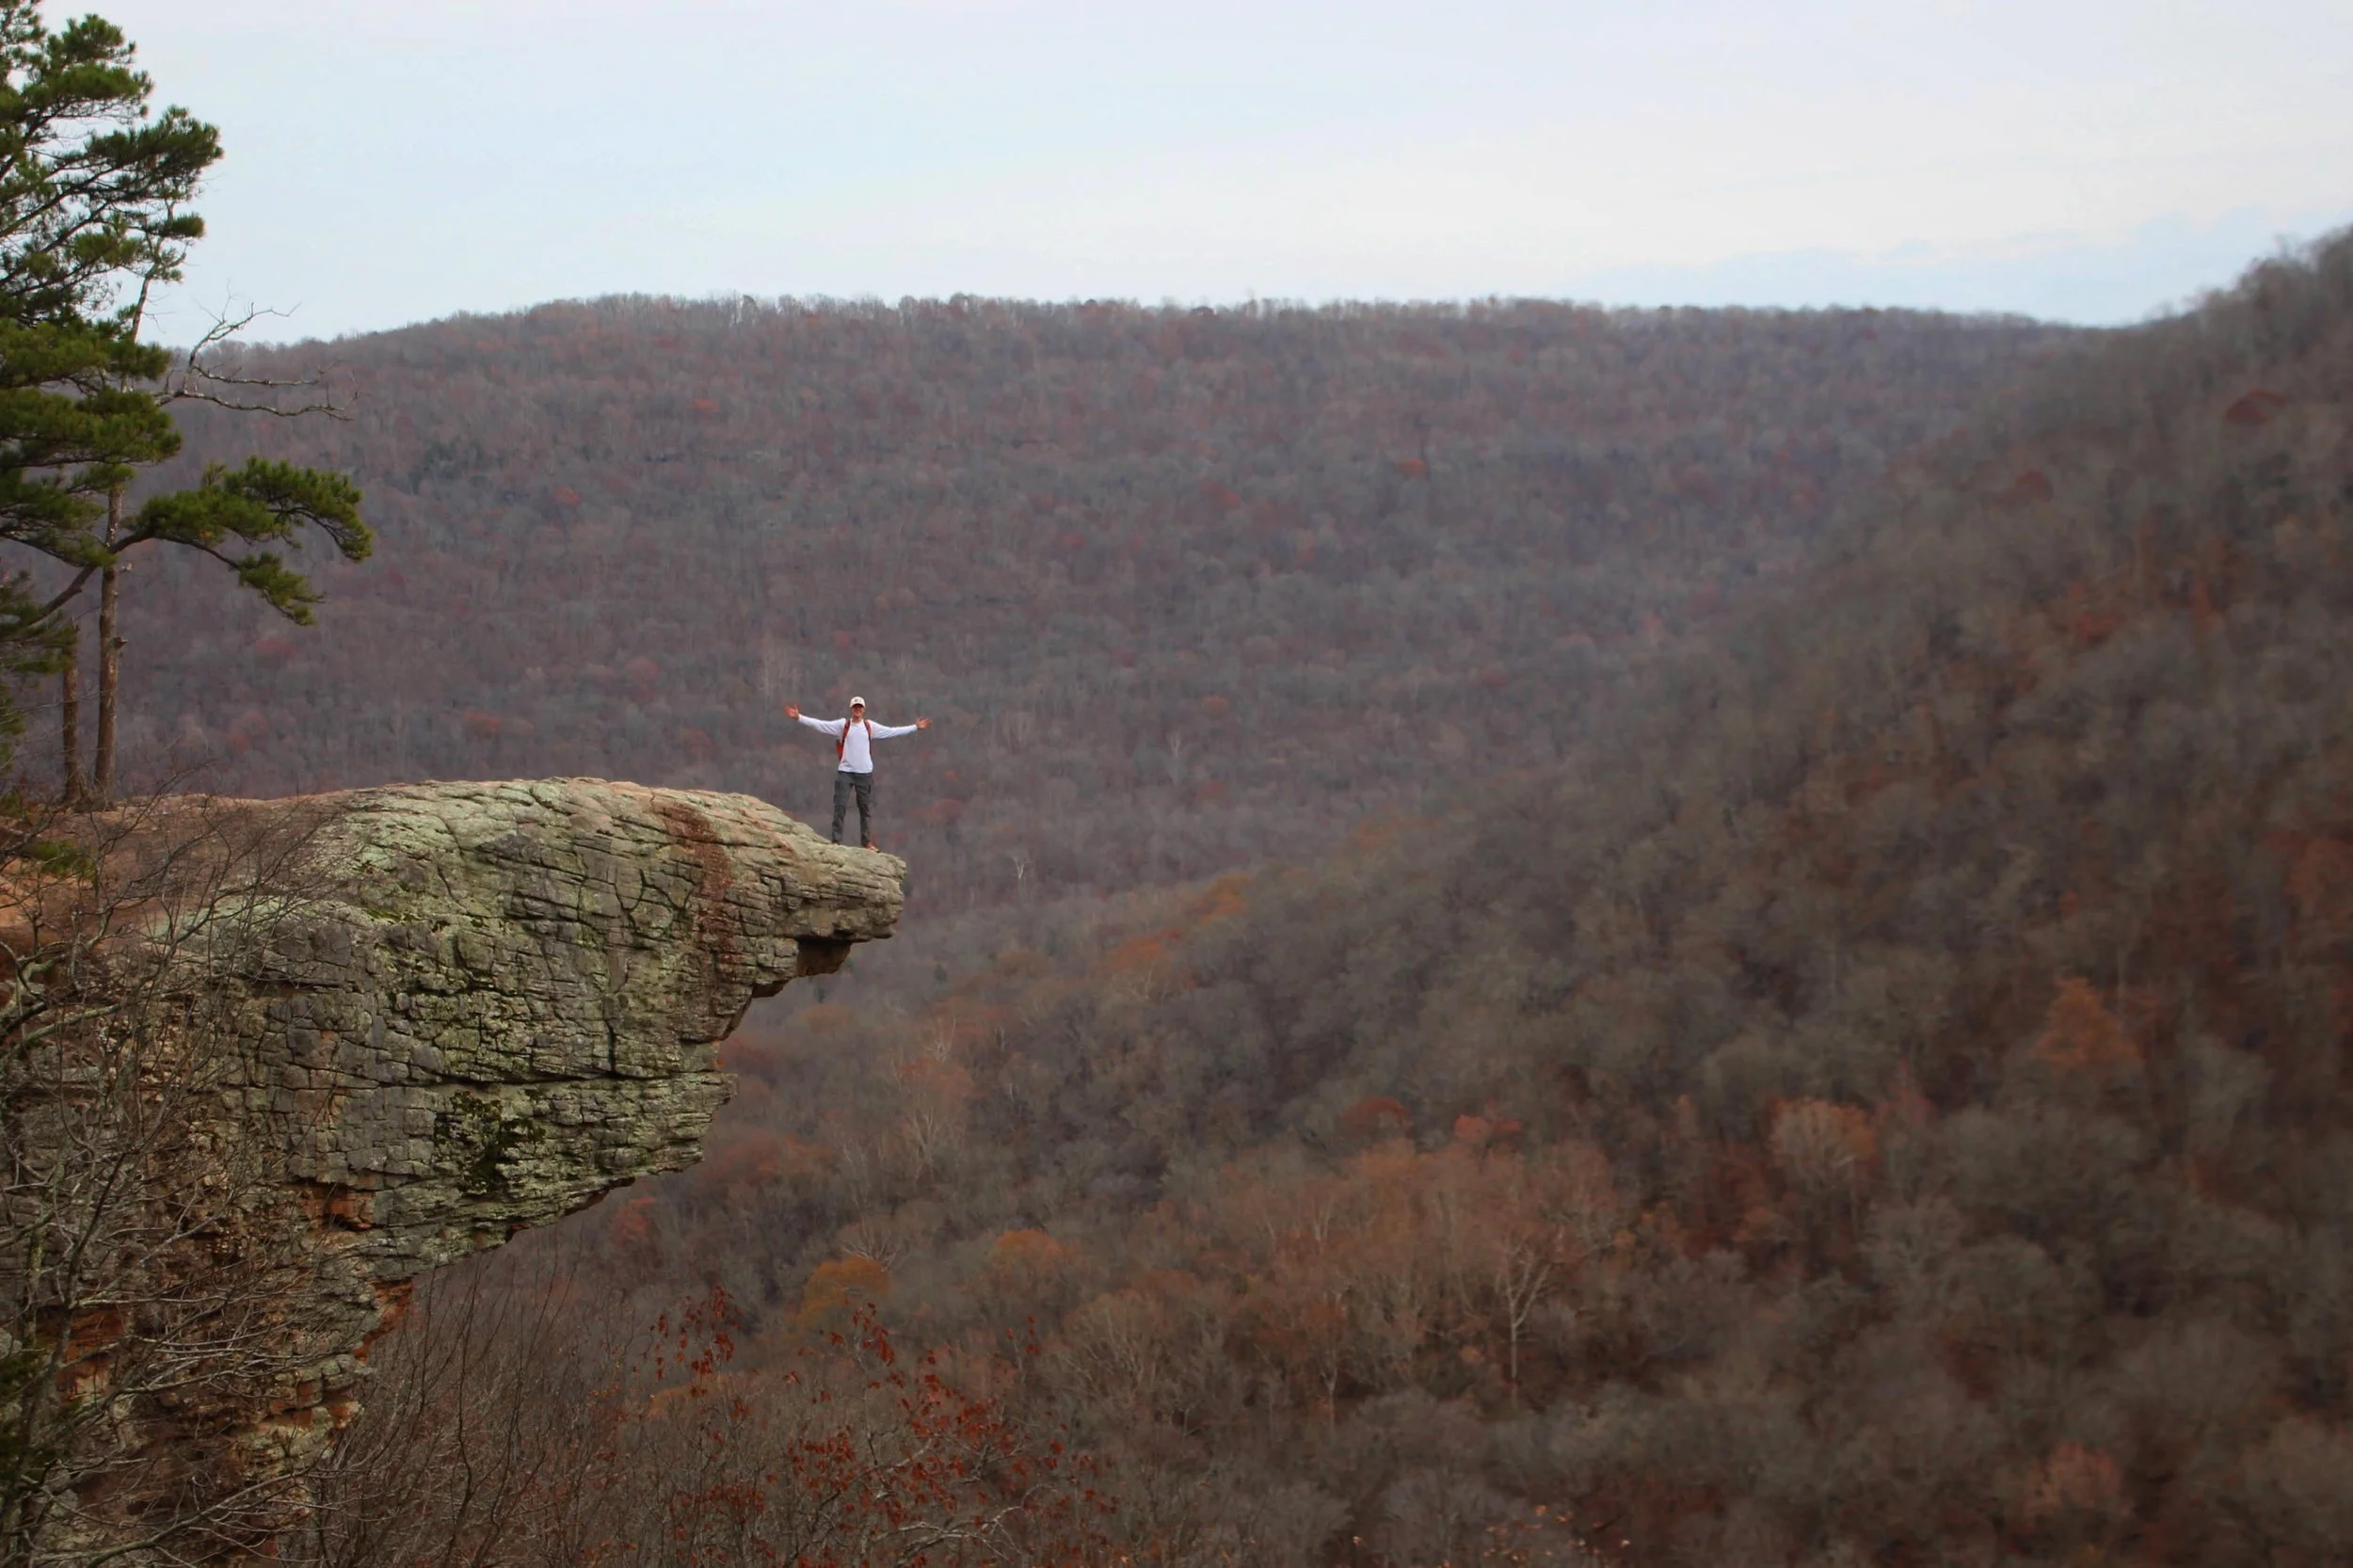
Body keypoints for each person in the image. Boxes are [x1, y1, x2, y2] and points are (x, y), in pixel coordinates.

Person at [784, 696, 931, 849]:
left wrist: (915, 727)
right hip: (845, 772)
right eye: (855, 707)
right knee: (840, 806)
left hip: (864, 773)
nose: (857, 710)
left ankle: (866, 842)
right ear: (851, 709)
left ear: (864, 709)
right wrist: (799, 718)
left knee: (864, 808)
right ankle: (836, 841)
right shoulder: (843, 725)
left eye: (860, 707)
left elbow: (891, 731)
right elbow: (821, 725)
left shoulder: (869, 727)